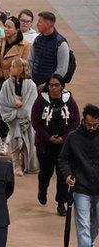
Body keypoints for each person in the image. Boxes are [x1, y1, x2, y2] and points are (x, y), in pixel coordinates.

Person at [58, 104, 99, 247]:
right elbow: (63, 159)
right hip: (81, 187)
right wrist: (68, 175)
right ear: (83, 120)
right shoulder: (73, 137)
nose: (92, 128)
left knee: (96, 222)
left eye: (96, 125)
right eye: (89, 124)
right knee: (82, 223)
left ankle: (90, 245)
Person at [32, 74, 79, 215]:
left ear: (62, 86)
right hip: (45, 145)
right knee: (46, 172)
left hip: (64, 146)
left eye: (57, 85)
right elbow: (35, 122)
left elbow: (75, 122)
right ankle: (42, 189)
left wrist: (64, 138)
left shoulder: (68, 100)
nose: (54, 88)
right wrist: (48, 137)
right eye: (51, 85)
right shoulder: (41, 100)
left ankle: (61, 203)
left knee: (63, 174)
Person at [0, 57, 38, 176]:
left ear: (21, 69)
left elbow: (32, 103)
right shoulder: (6, 84)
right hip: (14, 120)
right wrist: (14, 107)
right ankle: (16, 165)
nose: (10, 68)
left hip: (27, 120)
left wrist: (23, 111)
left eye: (13, 66)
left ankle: (27, 163)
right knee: (15, 142)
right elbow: (2, 101)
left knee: (28, 142)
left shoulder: (31, 85)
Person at [29, 11, 72, 87]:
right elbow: (30, 60)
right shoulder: (38, 39)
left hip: (51, 88)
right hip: (34, 85)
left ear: (48, 24)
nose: (37, 24)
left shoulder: (61, 44)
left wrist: (47, 85)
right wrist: (30, 81)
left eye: (40, 22)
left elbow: (62, 69)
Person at [0, 16, 31, 82]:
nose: (5, 29)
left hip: (14, 80)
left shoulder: (25, 45)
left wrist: (3, 74)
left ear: (17, 30)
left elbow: (23, 66)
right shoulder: (0, 41)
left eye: (9, 27)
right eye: (5, 26)